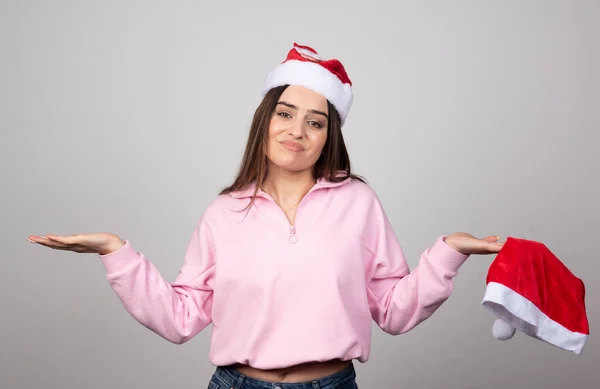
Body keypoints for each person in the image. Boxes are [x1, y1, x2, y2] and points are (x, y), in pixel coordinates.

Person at [27, 43, 503, 389]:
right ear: (265, 121)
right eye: (285, 114)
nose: (297, 131)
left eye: (315, 121)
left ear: (328, 135)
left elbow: (395, 313)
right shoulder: (223, 211)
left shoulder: (358, 203)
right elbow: (180, 318)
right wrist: (116, 253)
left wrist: (448, 253)